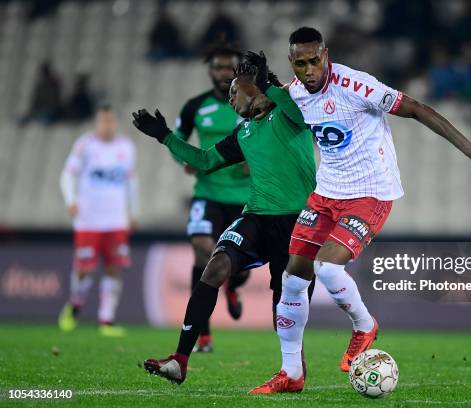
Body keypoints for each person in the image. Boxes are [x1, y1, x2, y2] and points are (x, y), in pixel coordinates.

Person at [247, 27, 471, 394]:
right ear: (292, 63)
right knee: (293, 278)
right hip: (326, 193)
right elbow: (262, 105)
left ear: (326, 55)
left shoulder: (355, 85)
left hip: (370, 192)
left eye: (314, 61)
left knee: (326, 266)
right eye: (301, 64)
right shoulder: (294, 93)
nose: (309, 70)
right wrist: (254, 87)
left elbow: (415, 108)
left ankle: (364, 325)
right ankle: (291, 374)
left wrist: (470, 149)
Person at [133, 62, 316, 385]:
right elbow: (204, 161)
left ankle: (294, 372)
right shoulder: (243, 133)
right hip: (257, 217)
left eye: (235, 91)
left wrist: (267, 79)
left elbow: (295, 107)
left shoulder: (291, 114)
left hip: (298, 224)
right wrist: (164, 136)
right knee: (215, 265)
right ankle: (180, 360)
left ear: (252, 88)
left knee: (283, 311)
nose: (230, 99)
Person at [173, 44, 251, 353]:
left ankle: (233, 284)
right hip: (208, 193)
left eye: (227, 67)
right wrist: (184, 160)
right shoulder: (195, 106)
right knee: (202, 250)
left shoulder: (253, 104)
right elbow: (178, 138)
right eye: (217, 67)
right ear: (210, 70)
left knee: (239, 266)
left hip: (244, 197)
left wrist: (255, 162)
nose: (222, 73)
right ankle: (202, 334)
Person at [58, 104, 138, 337]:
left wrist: (134, 211)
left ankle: (106, 320)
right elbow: (67, 174)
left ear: (116, 122)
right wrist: (70, 200)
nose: (107, 125)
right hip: (88, 219)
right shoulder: (85, 145)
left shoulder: (126, 147)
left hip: (116, 219)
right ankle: (76, 302)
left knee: (114, 267)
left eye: (110, 121)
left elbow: (131, 182)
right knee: (85, 269)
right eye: (103, 121)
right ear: (97, 123)